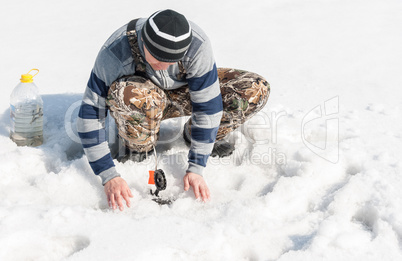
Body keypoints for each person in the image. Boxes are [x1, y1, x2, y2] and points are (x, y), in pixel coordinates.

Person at [77, 9, 270, 211]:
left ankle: (194, 135)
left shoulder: (197, 44)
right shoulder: (115, 52)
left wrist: (196, 167)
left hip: (183, 94)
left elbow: (208, 107)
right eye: (158, 59)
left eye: (172, 60)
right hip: (142, 100)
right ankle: (138, 146)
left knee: (254, 88)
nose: (164, 66)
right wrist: (108, 175)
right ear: (144, 42)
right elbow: (90, 114)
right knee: (125, 94)